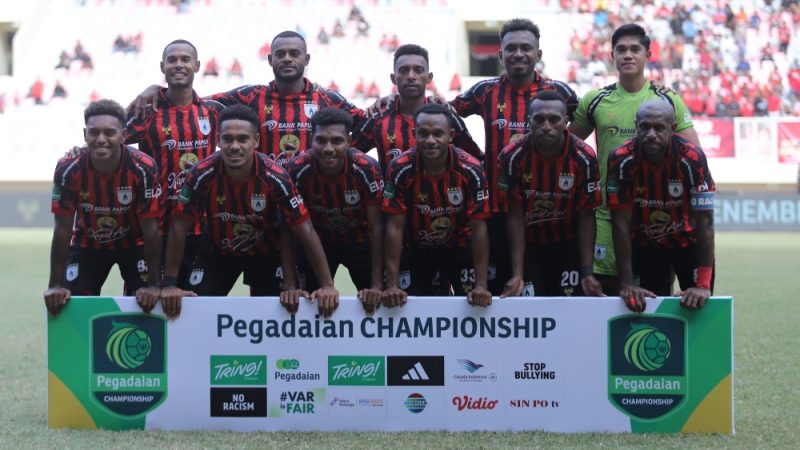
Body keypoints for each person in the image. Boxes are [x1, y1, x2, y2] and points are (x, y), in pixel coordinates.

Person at [159, 105, 339, 318]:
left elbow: (304, 229)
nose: (234, 146)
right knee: (194, 310)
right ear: (218, 140)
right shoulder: (201, 173)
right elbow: (179, 225)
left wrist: (327, 285)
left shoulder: (276, 176)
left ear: (256, 141)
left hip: (266, 254)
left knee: (285, 309)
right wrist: (169, 283)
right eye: (228, 139)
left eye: (242, 139)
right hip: (217, 252)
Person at [449, 18, 579, 295]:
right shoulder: (485, 91)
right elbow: (444, 116)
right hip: (496, 211)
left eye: (525, 48)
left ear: (538, 54)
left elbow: (586, 123)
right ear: (501, 54)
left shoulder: (560, 93)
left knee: (543, 294)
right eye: (511, 48)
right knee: (495, 294)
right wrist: (475, 156)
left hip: (542, 214)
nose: (518, 54)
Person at [568, 23, 700, 295]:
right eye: (621, 50)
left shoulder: (667, 100)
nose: (628, 55)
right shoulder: (595, 101)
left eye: (634, 49)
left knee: (653, 294)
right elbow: (568, 149)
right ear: (612, 56)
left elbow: (694, 153)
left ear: (648, 55)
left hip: (655, 217)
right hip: (606, 214)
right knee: (606, 293)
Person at [131, 31, 364, 167]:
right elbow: (192, 104)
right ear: (270, 60)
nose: (287, 59)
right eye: (280, 54)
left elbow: (368, 125)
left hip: (315, 197)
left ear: (307, 59)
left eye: (294, 54)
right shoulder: (251, 96)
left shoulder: (328, 98)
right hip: (264, 199)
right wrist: (155, 89)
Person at [44, 99, 162, 316]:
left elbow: (151, 228)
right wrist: (55, 284)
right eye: (94, 132)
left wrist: (155, 285)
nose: (101, 139)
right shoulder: (68, 168)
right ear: (84, 135)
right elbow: (62, 229)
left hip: (134, 246)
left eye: (109, 132)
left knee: (147, 304)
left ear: (123, 136)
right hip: (88, 245)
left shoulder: (143, 168)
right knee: (72, 305)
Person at [125, 39, 223, 289]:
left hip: (201, 229)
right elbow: (108, 138)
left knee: (196, 308)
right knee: (149, 302)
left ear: (197, 66)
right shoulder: (148, 111)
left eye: (185, 59)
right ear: (162, 66)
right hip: (156, 228)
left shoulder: (213, 111)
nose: (178, 64)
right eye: (172, 60)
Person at [608, 100, 715, 312]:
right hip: (646, 247)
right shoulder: (621, 160)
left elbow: (705, 221)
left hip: (688, 245)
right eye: (645, 126)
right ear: (636, 124)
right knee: (645, 311)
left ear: (672, 128)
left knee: (698, 307)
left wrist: (702, 284)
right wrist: (627, 283)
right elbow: (620, 224)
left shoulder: (691, 157)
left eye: (659, 128)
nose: (651, 134)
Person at [381, 103, 492, 308]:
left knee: (473, 305)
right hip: (416, 248)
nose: (430, 140)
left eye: (438, 134)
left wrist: (482, 285)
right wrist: (392, 284)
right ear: (415, 134)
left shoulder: (471, 169)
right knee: (407, 307)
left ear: (451, 135)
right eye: (423, 134)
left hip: (459, 246)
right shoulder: (400, 169)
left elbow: (479, 227)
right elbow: (394, 226)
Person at [499, 91, 603, 297]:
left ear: (566, 121)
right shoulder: (512, 157)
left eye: (554, 119)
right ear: (529, 122)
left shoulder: (584, 156)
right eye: (539, 119)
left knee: (569, 308)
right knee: (531, 309)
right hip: (530, 247)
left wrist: (587, 272)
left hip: (568, 245)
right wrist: (517, 274)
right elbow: (514, 215)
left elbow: (586, 216)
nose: (546, 126)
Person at [284, 108, 384, 315]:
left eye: (337, 141)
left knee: (378, 302)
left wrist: (376, 285)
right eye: (321, 140)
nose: (328, 148)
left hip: (360, 242)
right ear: (311, 140)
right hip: (316, 243)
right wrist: (292, 284)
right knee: (305, 306)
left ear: (348, 141)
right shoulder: (296, 170)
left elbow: (377, 228)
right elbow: (294, 230)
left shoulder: (367, 168)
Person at [352, 44, 482, 171]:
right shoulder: (377, 117)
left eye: (418, 70)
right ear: (393, 78)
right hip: (391, 193)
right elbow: (347, 156)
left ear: (429, 78)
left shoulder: (446, 116)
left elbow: (475, 158)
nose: (411, 76)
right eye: (404, 70)